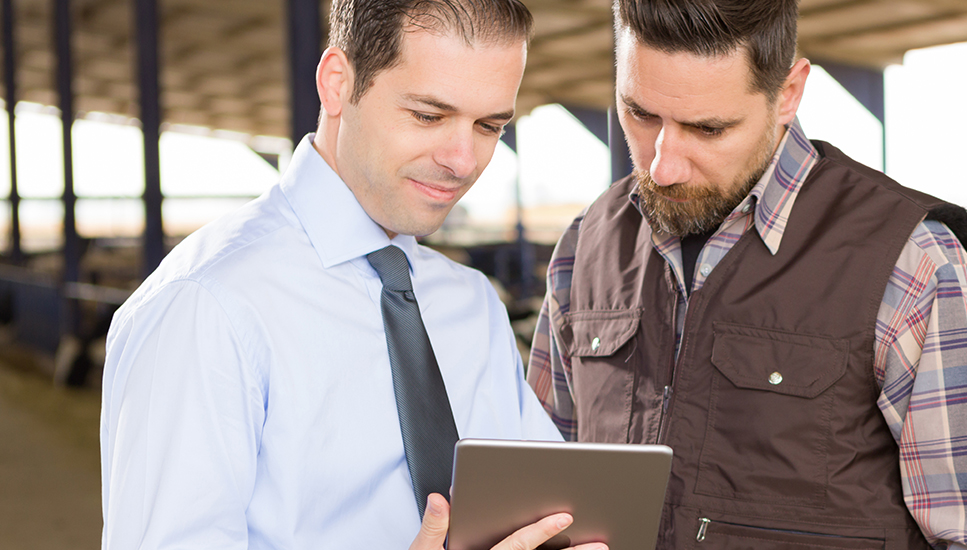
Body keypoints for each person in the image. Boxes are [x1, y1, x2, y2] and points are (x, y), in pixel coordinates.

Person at [525, 0, 967, 548]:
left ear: (788, 95)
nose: (662, 165)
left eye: (708, 128)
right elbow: (538, 484)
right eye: (640, 114)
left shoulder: (912, 262)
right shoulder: (585, 246)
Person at [99, 1, 601, 549]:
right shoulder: (205, 306)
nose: (463, 160)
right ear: (337, 83)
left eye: (488, 125)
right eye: (429, 115)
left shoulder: (471, 303)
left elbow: (546, 519)